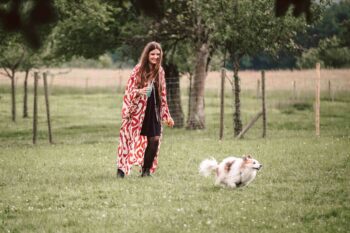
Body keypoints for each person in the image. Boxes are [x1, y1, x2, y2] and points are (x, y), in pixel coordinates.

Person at [117, 41, 174, 178]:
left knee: (154, 139)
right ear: (147, 54)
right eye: (152, 54)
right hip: (137, 111)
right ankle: (121, 170)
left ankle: (146, 170)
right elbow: (129, 90)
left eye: (158, 54)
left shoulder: (160, 71)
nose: (155, 57)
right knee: (128, 139)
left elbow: (163, 94)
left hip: (154, 110)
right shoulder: (138, 69)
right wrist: (140, 91)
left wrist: (167, 115)